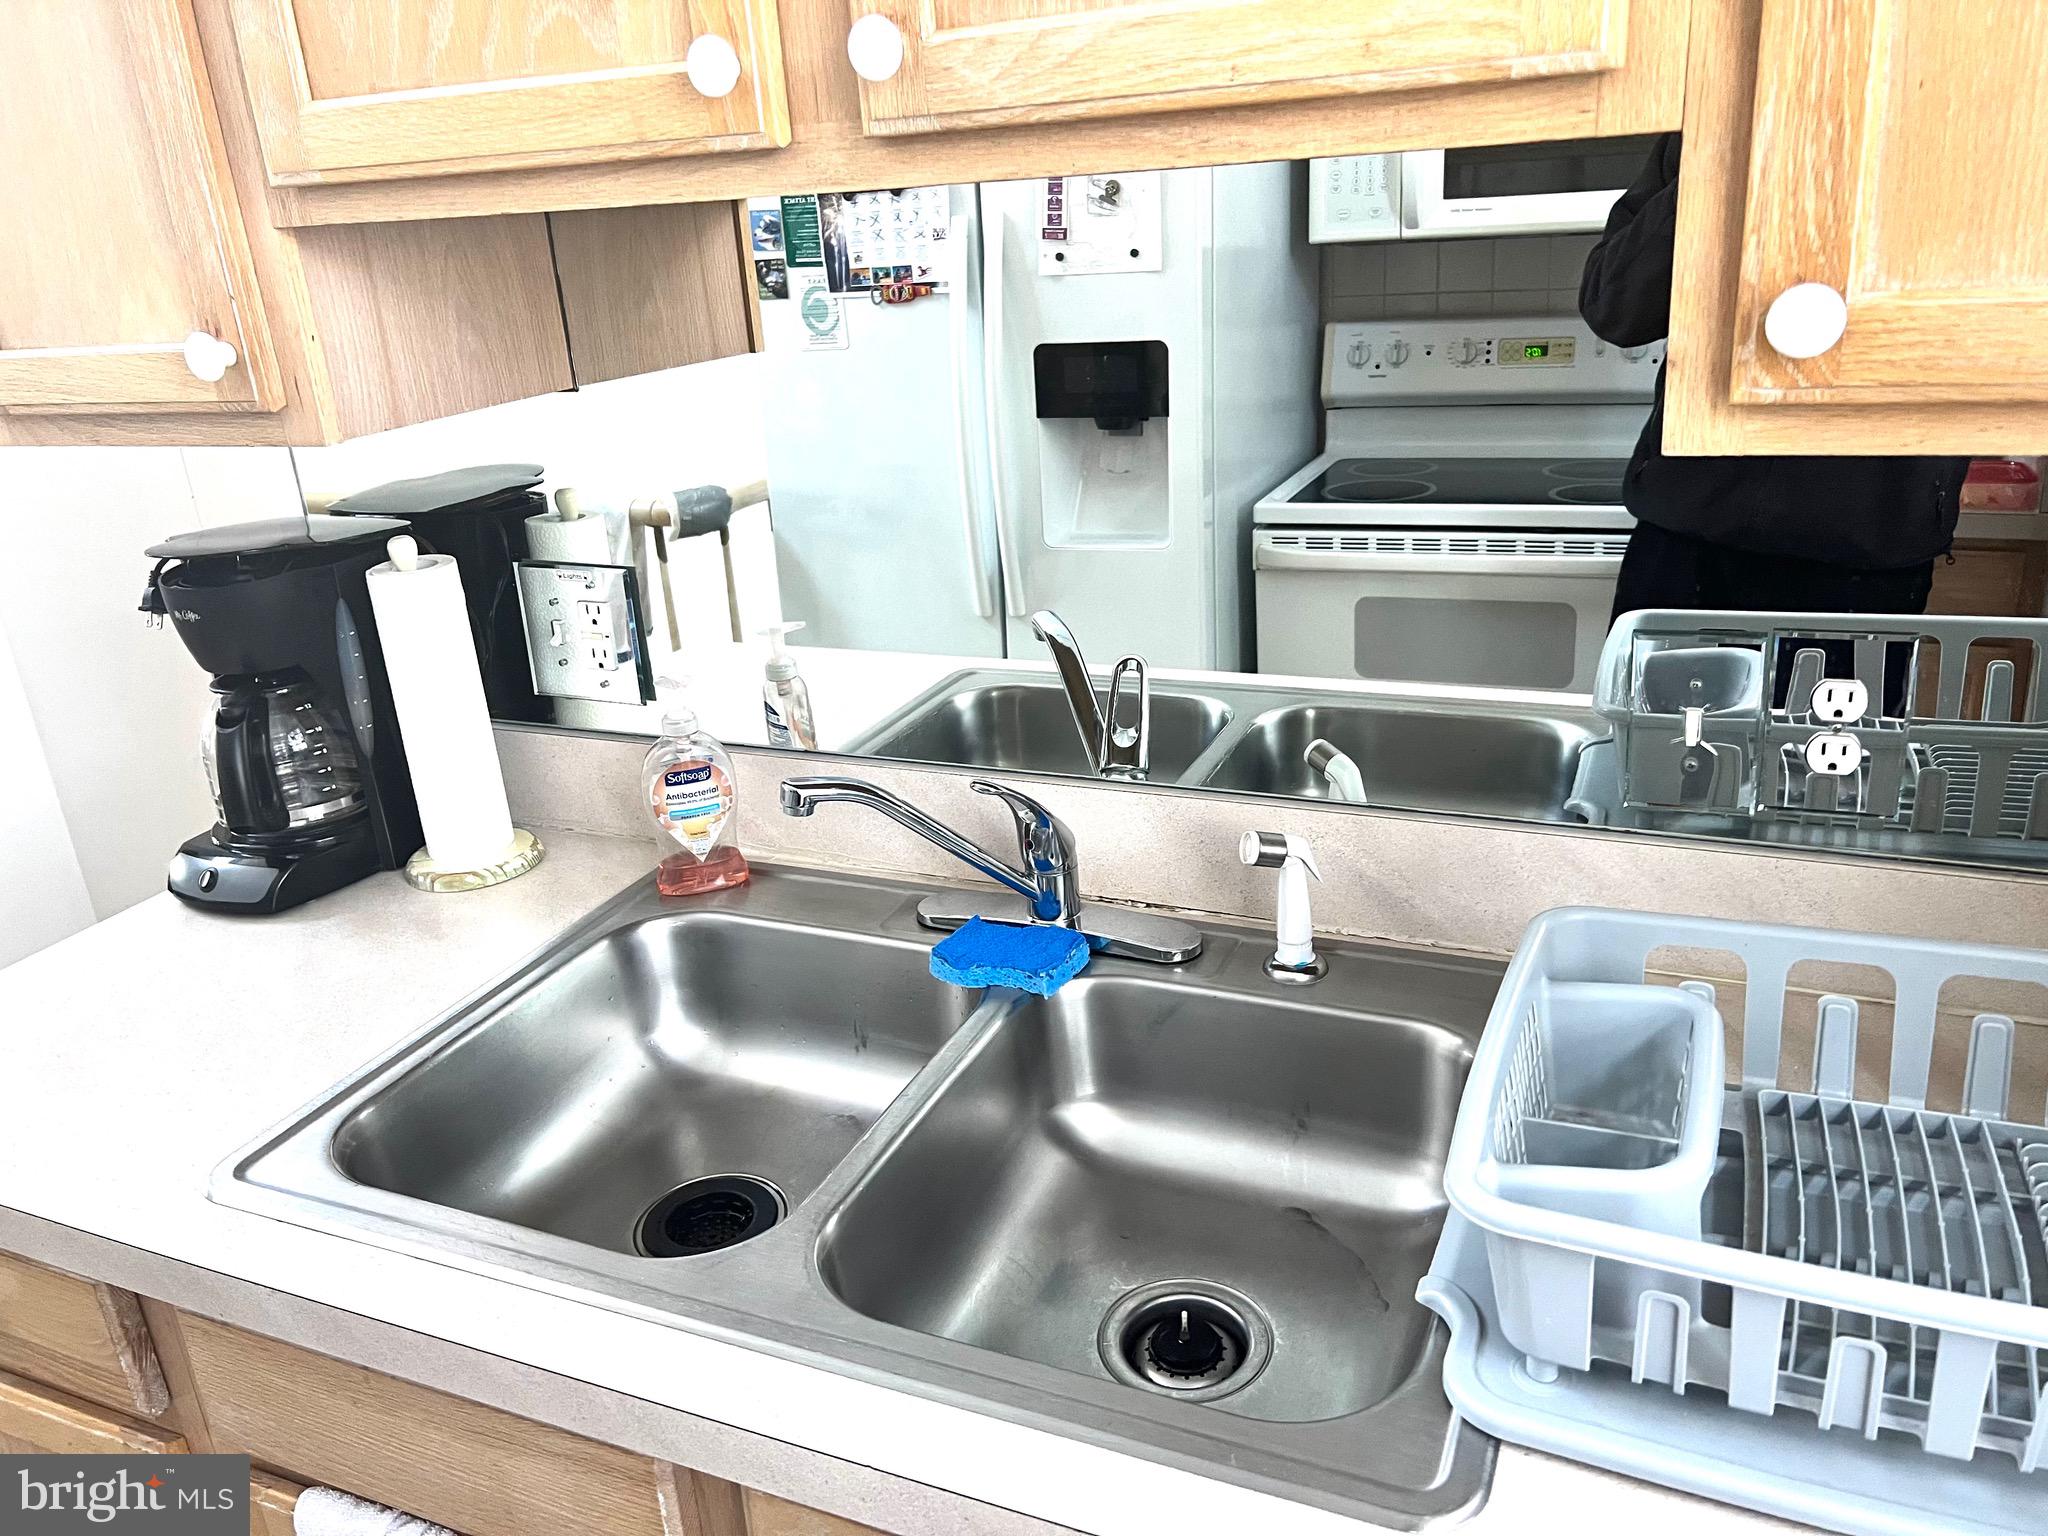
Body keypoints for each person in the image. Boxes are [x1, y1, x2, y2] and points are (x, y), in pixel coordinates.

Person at [1580, 133, 1969, 625]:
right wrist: (1720, 155)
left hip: (1869, 544)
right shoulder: (1710, 125)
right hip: (1687, 533)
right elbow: (1614, 311)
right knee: (1653, 704)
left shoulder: (1961, 126)